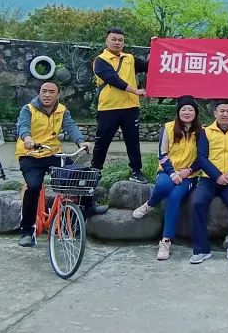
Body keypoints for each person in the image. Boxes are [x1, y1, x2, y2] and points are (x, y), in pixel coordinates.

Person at [15, 82, 92, 247]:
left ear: (58, 95)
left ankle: (89, 207)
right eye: (44, 91)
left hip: (52, 153)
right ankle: (26, 231)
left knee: (82, 174)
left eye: (51, 92)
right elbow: (22, 126)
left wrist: (81, 142)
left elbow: (71, 127)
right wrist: (27, 138)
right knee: (33, 187)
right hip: (30, 154)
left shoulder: (62, 110)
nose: (47, 95)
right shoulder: (28, 109)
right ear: (39, 93)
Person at [131, 95, 202, 260]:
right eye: (183, 109)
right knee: (163, 186)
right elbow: (162, 154)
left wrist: (188, 171)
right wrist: (172, 173)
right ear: (178, 111)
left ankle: (166, 241)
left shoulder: (201, 132)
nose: (187, 112)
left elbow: (202, 157)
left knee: (174, 197)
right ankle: (149, 204)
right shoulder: (168, 128)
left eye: (190, 109)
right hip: (167, 171)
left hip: (189, 175)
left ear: (195, 113)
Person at [190, 100, 228, 265]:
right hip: (209, 179)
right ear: (215, 113)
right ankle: (201, 249)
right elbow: (202, 157)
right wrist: (217, 175)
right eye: (221, 111)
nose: (225, 114)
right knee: (197, 203)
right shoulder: (206, 132)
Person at [92, 27, 150, 184]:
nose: (117, 42)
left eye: (120, 40)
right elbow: (113, 79)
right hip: (109, 108)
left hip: (131, 107)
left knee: (133, 141)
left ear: (124, 43)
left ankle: (136, 171)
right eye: (114, 39)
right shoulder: (100, 60)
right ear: (107, 41)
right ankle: (95, 170)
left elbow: (148, 66)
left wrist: (157, 47)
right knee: (102, 141)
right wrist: (135, 90)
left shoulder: (129, 58)